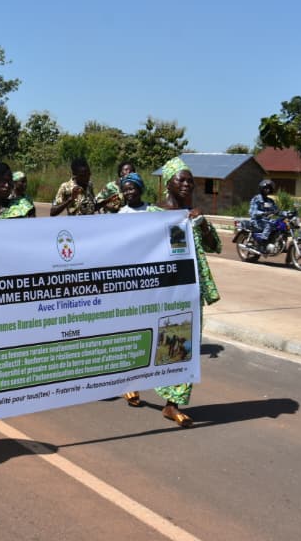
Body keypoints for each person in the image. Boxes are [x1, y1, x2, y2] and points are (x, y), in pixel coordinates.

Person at [123, 157, 220, 427]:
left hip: (189, 292)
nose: (188, 184)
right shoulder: (155, 215)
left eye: (190, 180)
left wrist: (201, 223)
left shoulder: (194, 214)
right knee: (152, 340)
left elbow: (215, 246)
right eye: (182, 180)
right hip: (161, 291)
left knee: (183, 346)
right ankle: (132, 381)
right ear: (169, 184)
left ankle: (172, 404)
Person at [250, 179, 281, 250]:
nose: (268, 190)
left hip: (265, 221)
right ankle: (263, 242)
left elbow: (276, 210)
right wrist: (263, 213)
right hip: (257, 221)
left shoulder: (270, 201)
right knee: (270, 224)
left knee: (280, 224)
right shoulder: (256, 199)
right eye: (266, 188)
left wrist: (287, 213)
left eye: (269, 189)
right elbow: (252, 212)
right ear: (262, 189)